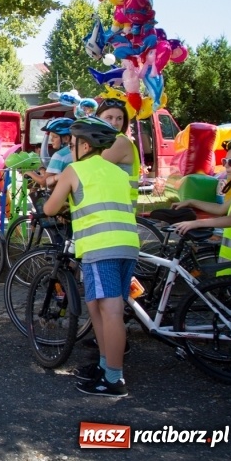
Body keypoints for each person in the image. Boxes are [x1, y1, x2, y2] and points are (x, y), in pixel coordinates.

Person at [43, 117, 139, 397]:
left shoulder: (75, 170)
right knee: (99, 308)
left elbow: (50, 208)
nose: (69, 149)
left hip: (100, 247)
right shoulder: (117, 172)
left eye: (72, 144)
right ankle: (104, 366)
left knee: (109, 313)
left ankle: (114, 379)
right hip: (127, 244)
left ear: (84, 145)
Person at [173, 138, 231, 299]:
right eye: (225, 161)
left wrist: (195, 223)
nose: (226, 166)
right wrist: (191, 201)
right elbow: (221, 209)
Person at [96, 99, 140, 206]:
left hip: (117, 211)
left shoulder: (119, 141)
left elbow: (88, 170)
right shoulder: (105, 142)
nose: (114, 123)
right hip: (112, 208)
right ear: (97, 118)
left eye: (119, 118)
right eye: (109, 118)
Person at [24, 117, 73, 188]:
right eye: (51, 136)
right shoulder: (75, 152)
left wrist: (30, 173)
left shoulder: (59, 156)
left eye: (55, 137)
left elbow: (44, 182)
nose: (51, 139)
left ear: (66, 138)